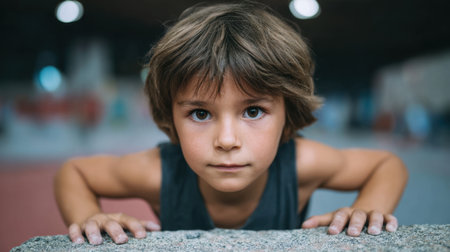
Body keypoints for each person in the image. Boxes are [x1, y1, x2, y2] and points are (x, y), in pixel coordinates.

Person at [54, 1, 408, 245]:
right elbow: (74, 172)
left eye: (253, 111)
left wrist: (367, 210)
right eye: (200, 113)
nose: (226, 140)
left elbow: (386, 165)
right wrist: (88, 217)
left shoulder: (301, 164)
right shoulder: (159, 173)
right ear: (171, 118)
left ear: (289, 113)